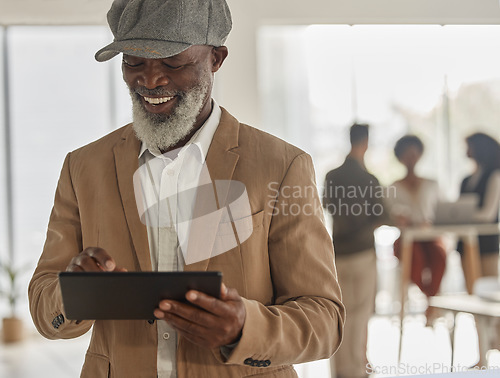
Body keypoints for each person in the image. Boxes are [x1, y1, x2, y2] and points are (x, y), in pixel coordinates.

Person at [28, 1, 345, 377]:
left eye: (172, 62)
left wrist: (246, 327)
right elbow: (43, 302)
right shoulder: (83, 167)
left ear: (216, 58)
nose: (150, 80)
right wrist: (74, 292)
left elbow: (325, 320)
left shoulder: (282, 165)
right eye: (133, 62)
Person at [323, 123, 388, 378]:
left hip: (338, 252)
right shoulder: (368, 179)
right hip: (362, 251)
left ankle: (340, 371)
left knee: (340, 314)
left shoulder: (332, 176)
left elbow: (327, 205)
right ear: (366, 142)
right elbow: (381, 214)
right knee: (360, 314)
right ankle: (357, 370)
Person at [388, 135, 447, 307]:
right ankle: (430, 299)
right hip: (407, 238)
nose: (411, 158)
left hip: (430, 235)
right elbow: (389, 214)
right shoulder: (392, 187)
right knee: (415, 259)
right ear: (400, 157)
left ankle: (431, 301)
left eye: (414, 153)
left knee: (440, 256)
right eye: (407, 154)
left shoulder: (432, 184)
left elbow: (442, 211)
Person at [458, 132, 500, 276]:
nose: (466, 151)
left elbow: (488, 214)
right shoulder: (466, 180)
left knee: (488, 287)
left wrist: (463, 217)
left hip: (487, 242)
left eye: (469, 147)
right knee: (471, 288)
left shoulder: (494, 176)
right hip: (465, 242)